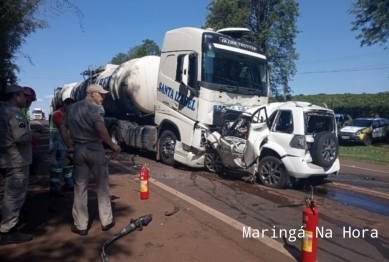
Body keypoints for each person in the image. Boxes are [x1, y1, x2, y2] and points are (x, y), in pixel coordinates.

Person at [59, 84, 121, 236]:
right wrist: (113, 145)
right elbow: (100, 129)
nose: (103, 97)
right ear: (92, 93)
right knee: (102, 186)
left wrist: (69, 146)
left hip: (79, 150)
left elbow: (62, 127)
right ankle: (106, 221)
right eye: (101, 94)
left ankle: (81, 225)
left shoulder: (71, 108)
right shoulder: (95, 108)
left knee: (80, 187)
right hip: (95, 149)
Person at [0, 84, 37, 244]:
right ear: (16, 96)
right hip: (16, 160)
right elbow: (21, 137)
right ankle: (9, 231)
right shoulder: (16, 114)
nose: (25, 99)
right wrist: (33, 137)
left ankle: (4, 219)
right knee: (14, 195)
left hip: (3, 159)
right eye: (22, 96)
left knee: (3, 193)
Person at [49, 98, 75, 197]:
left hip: (67, 147)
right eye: (70, 106)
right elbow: (63, 128)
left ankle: (69, 185)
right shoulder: (58, 114)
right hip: (58, 147)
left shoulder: (67, 115)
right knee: (57, 168)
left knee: (68, 166)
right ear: (65, 104)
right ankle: (54, 189)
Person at [21, 87, 42, 176]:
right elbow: (19, 135)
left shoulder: (23, 111)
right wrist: (32, 136)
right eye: (30, 101)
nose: (30, 104)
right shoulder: (17, 113)